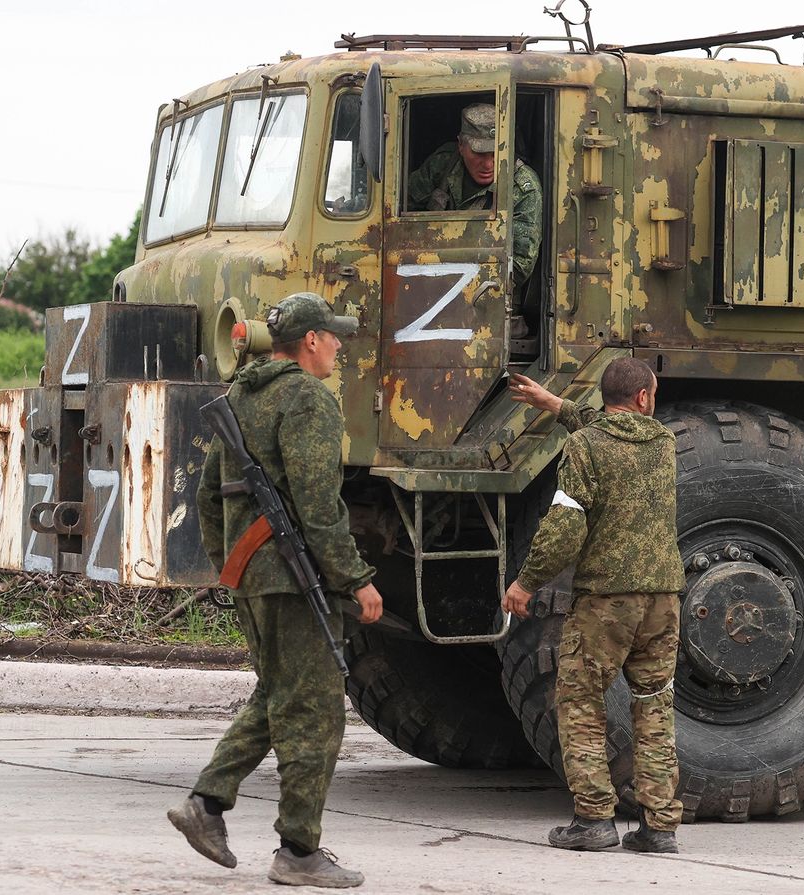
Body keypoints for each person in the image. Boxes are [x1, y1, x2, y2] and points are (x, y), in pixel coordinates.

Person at [169, 292, 383, 888]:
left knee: (280, 695)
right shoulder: (308, 399)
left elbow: (209, 498)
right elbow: (319, 508)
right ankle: (298, 851)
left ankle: (206, 805)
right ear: (310, 340)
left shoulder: (241, 395)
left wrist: (233, 564)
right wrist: (355, 580)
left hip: (254, 578)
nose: (340, 346)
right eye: (333, 336)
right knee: (314, 712)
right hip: (295, 581)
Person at [502, 362, 686, 855]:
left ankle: (593, 819)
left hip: (607, 601)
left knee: (581, 703)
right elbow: (611, 433)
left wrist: (525, 582)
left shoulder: (586, 448)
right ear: (644, 399)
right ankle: (660, 827)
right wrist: (558, 406)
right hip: (664, 599)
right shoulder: (662, 443)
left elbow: (564, 527)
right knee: (654, 706)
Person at [406, 102, 542, 288]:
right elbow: (402, 212)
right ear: (461, 145)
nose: (488, 164)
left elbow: (518, 268)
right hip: (426, 283)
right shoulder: (443, 165)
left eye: (495, 154)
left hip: (487, 294)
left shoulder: (522, 186)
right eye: (479, 153)